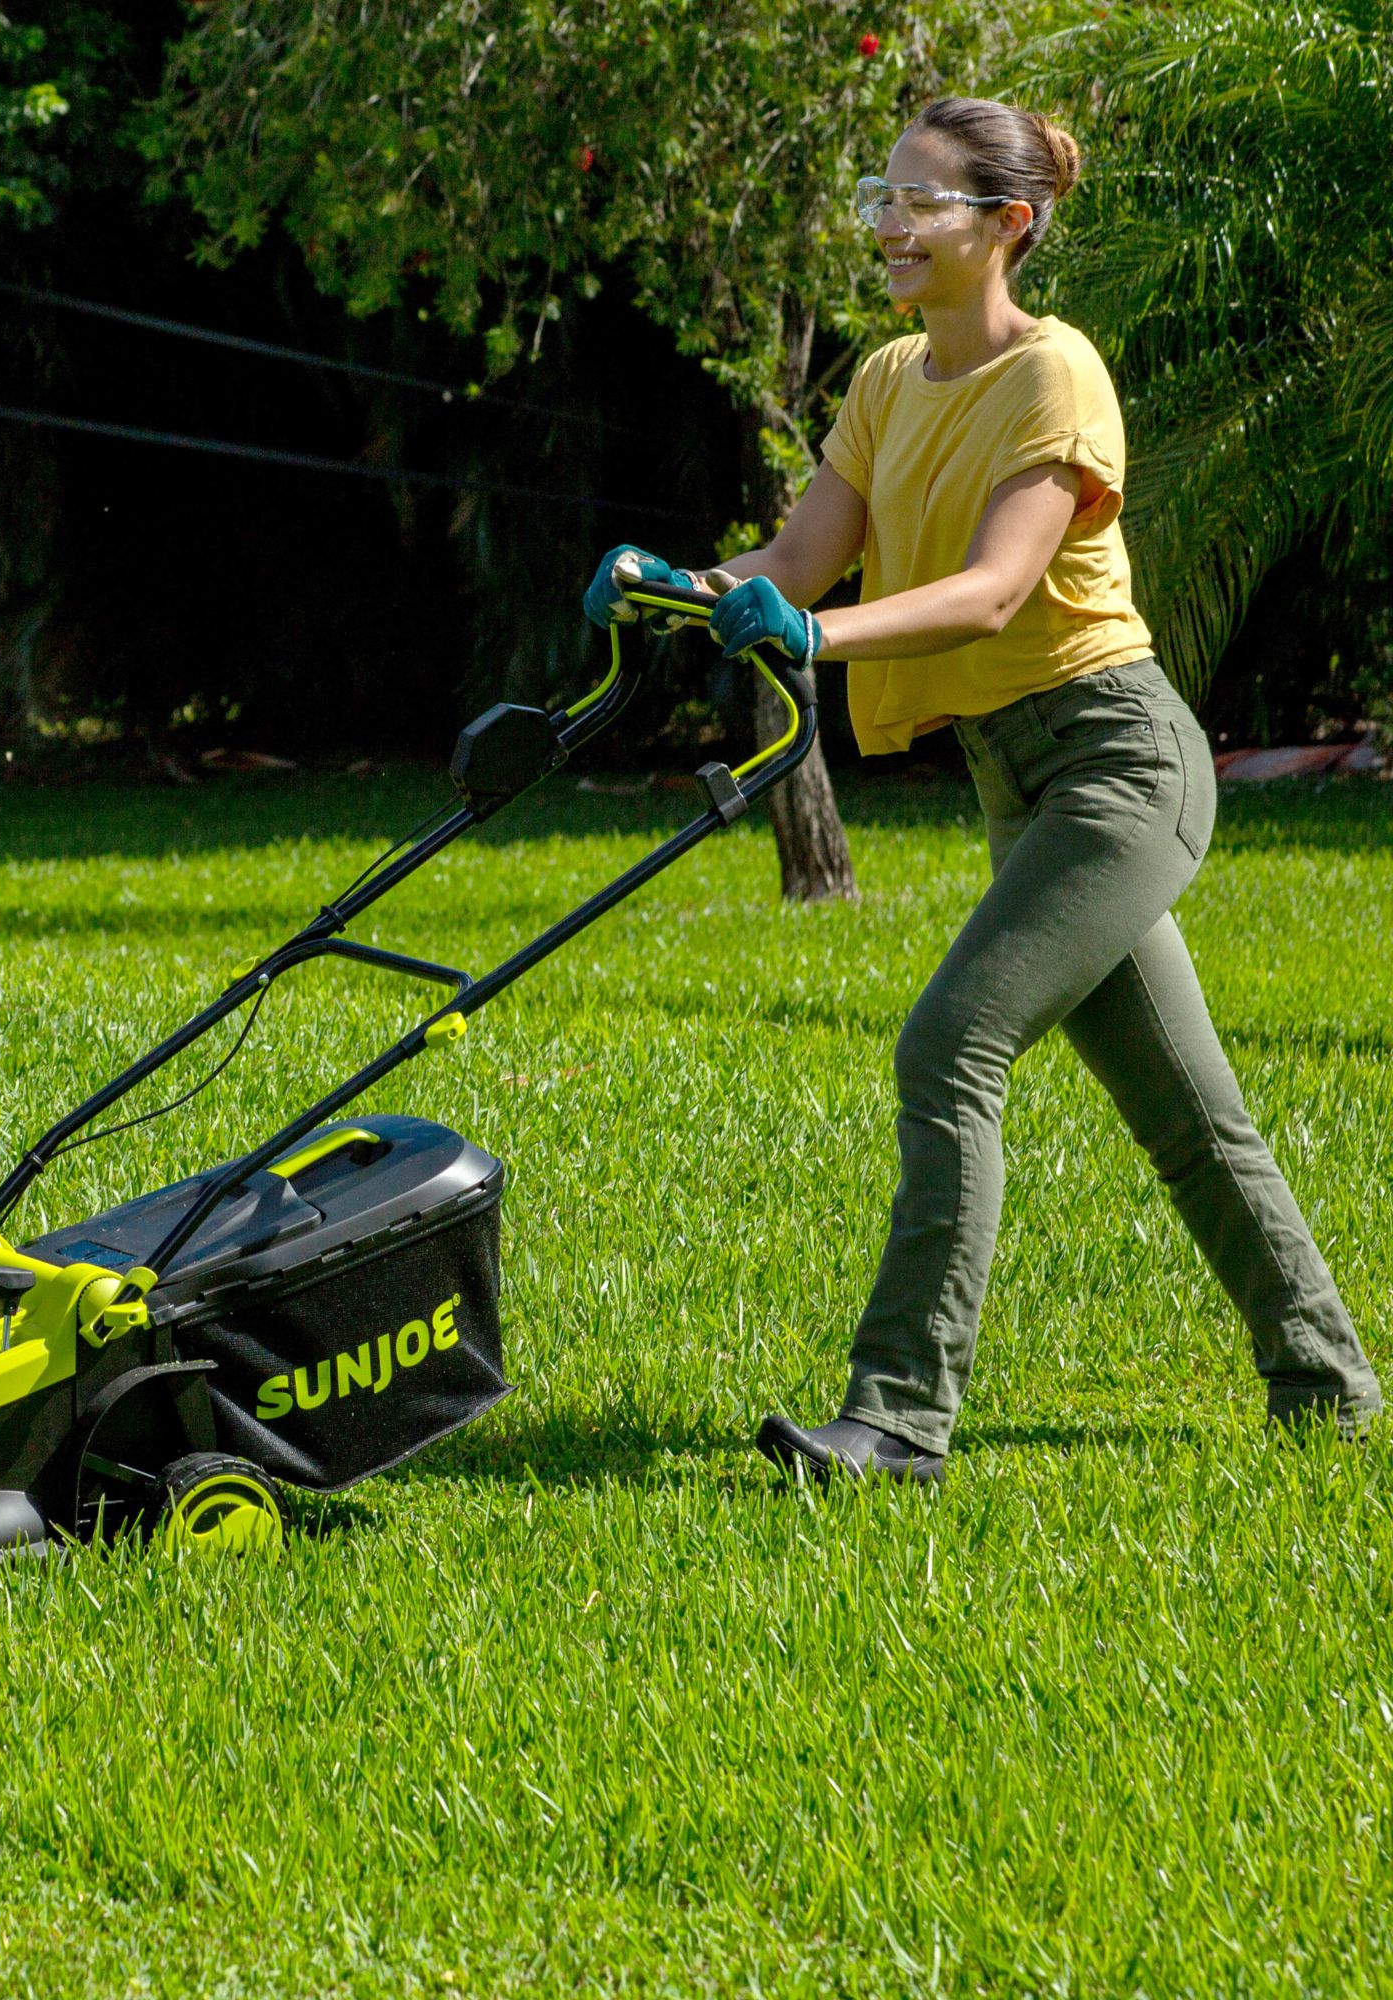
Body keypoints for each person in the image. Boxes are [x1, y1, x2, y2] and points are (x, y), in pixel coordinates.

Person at [583, 95, 1382, 1483]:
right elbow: (802, 556)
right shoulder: (888, 380)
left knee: (949, 1044)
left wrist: (814, 642)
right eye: (879, 197)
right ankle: (1331, 1386)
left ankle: (896, 1420)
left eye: (920, 202)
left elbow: (998, 586)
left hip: (1119, 764)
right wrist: (680, 588)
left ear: (1007, 226)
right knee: (1191, 1118)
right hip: (1016, 777)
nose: (888, 224)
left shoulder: (1056, 375)